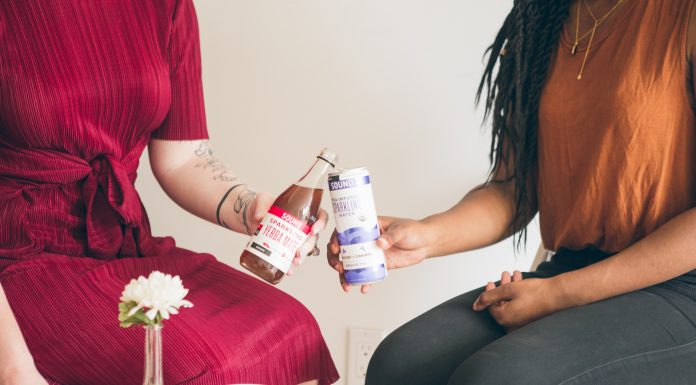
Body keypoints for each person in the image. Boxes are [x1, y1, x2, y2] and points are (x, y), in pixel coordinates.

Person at [328, 0, 696, 384]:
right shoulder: (541, 19)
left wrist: (558, 294)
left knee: (496, 377)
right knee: (399, 362)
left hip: (682, 283)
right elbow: (512, 190)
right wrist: (424, 236)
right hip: (575, 266)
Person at [0, 1, 338, 385]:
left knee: (294, 333)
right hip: (18, 258)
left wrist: (253, 210)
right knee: (208, 367)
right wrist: (14, 370)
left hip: (123, 245)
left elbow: (182, 158)